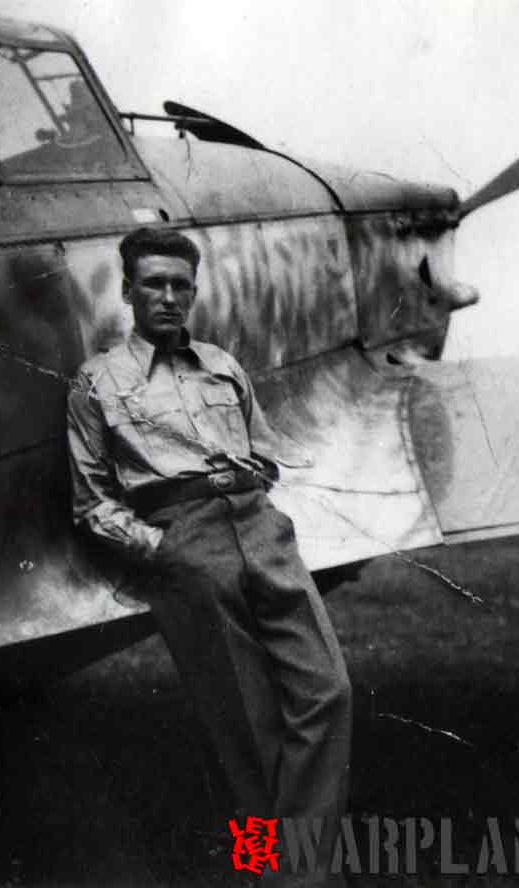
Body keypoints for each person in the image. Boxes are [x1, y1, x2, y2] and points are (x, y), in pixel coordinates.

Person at [67, 227, 352, 886]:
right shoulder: (97, 382)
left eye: (181, 285)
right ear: (130, 290)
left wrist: (258, 475)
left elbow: (264, 449)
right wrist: (165, 549)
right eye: (155, 284)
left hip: (259, 529)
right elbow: (92, 505)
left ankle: (293, 871)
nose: (169, 297)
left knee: (326, 693)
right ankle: (294, 876)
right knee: (247, 730)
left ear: (193, 293)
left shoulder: (223, 365)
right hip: (187, 545)